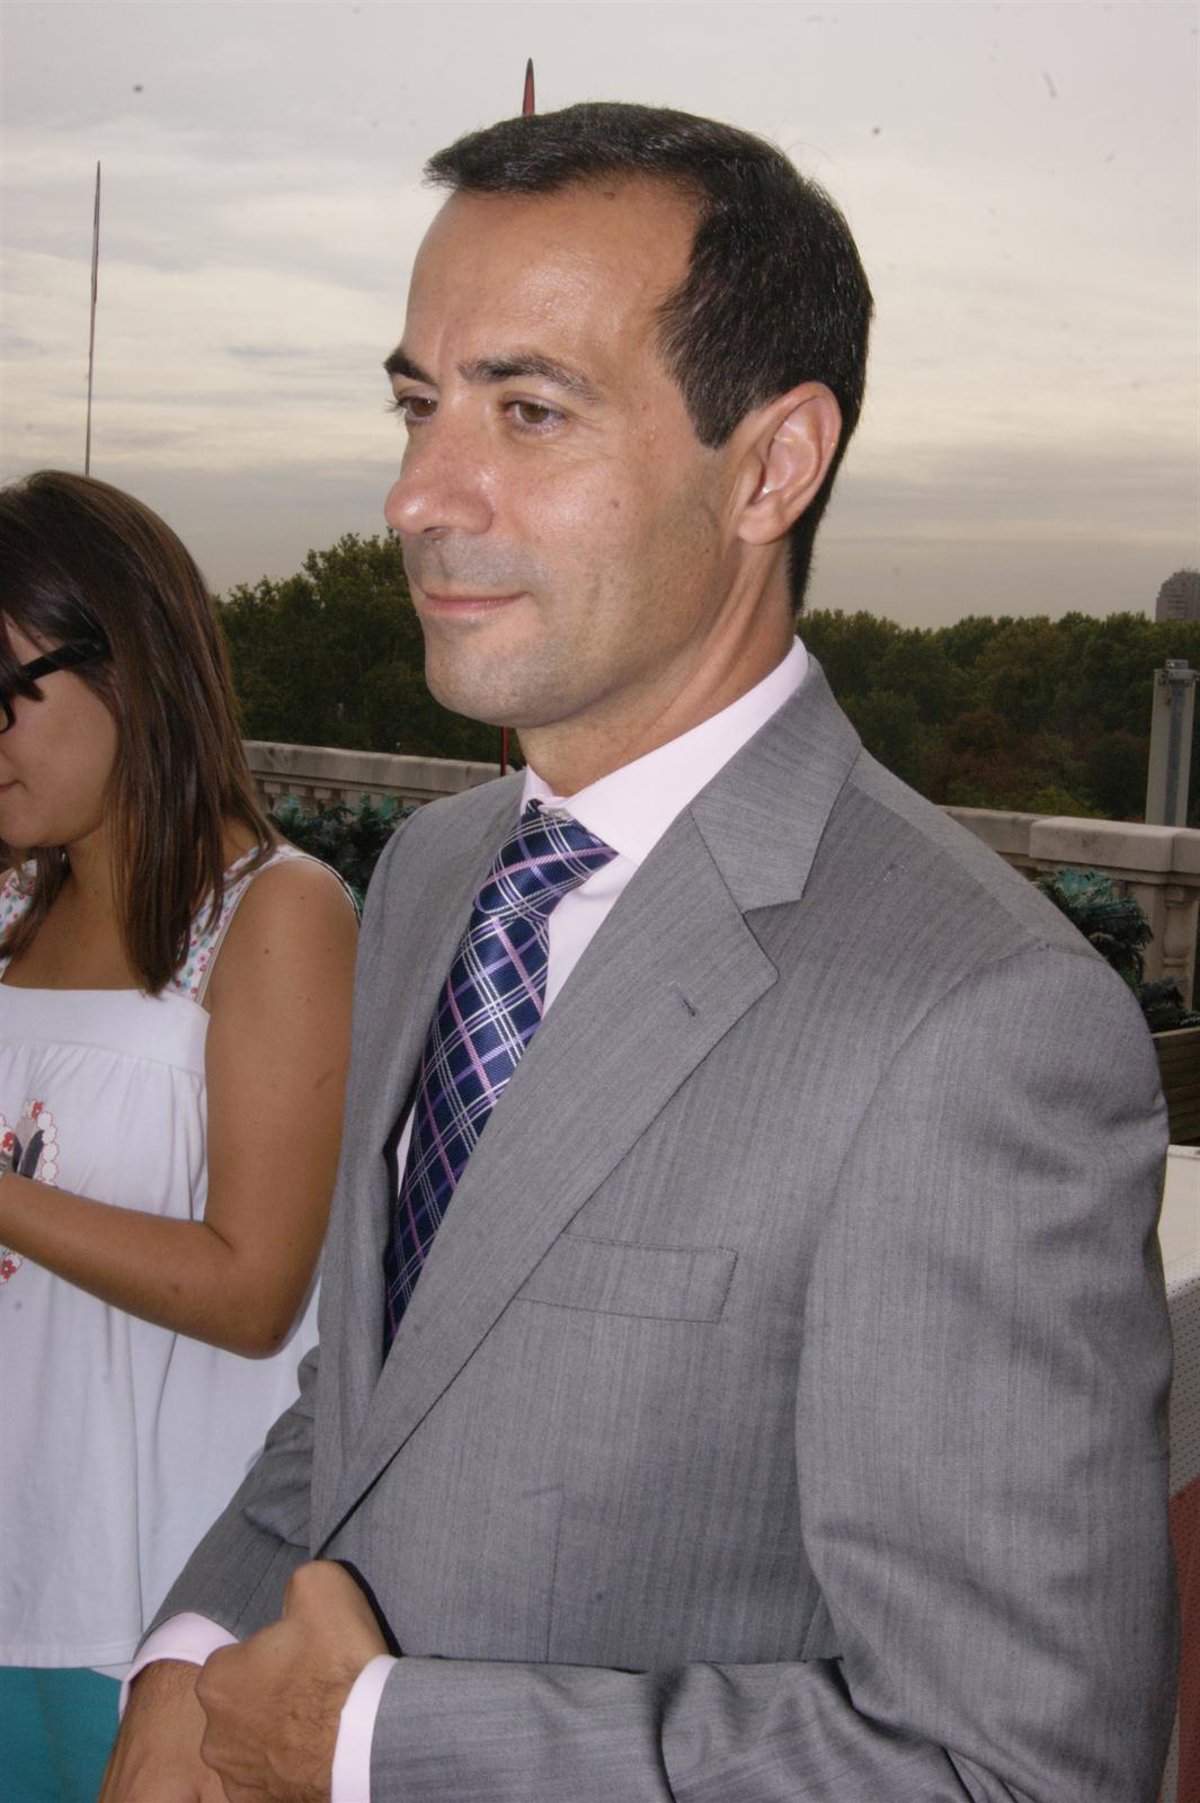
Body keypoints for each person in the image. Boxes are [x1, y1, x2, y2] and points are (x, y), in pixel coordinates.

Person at [104, 104, 1176, 1802]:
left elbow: (1020, 1770)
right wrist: (187, 1655)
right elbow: (371, 1399)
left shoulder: (982, 1019)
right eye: (417, 404)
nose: (415, 495)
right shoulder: (436, 874)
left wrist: (374, 1745)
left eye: (529, 411)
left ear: (772, 465)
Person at [0, 470, 358, 1801]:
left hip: (147, 1612)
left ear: (132, 664)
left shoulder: (276, 913)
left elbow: (254, 1291)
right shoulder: (10, 906)